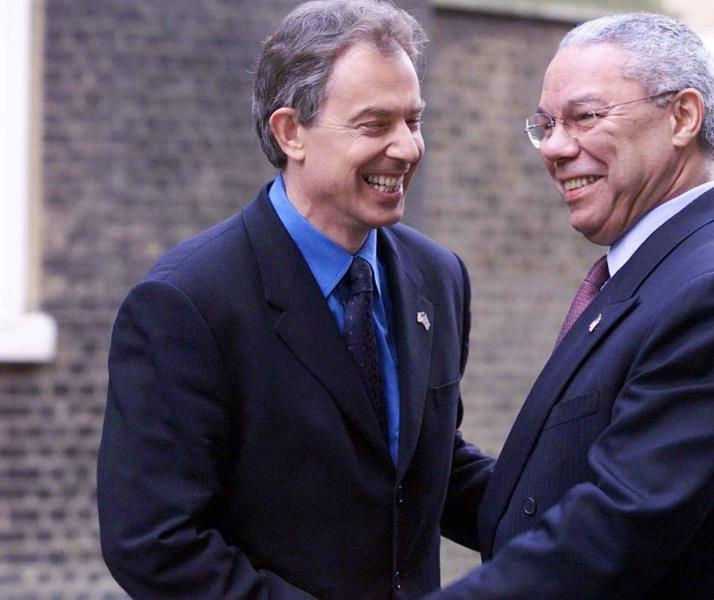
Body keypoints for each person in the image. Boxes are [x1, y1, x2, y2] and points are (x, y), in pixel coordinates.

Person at [97, 1, 492, 598]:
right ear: (291, 133)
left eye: (413, 121)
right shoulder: (187, 304)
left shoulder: (437, 277)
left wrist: (582, 517)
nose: (408, 149)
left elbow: (425, 469)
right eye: (375, 124)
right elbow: (156, 543)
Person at [427, 12, 714, 600]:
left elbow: (605, 539)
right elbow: (545, 501)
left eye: (585, 117)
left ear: (683, 117)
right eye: (545, 125)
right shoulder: (660, 270)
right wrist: (398, 448)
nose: (555, 148)